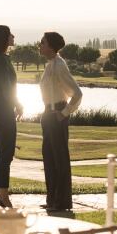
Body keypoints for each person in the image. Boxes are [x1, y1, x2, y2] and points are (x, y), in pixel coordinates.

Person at [38, 32, 82, 211]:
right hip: (48, 115)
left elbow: (77, 93)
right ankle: (52, 200)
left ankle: (62, 202)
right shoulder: (50, 65)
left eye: (42, 43)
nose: (39, 45)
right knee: (49, 159)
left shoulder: (59, 66)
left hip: (57, 116)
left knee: (59, 160)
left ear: (51, 46)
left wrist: (63, 113)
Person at [0, 25, 23, 208]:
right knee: (6, 154)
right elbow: (6, 88)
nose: (13, 36)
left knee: (2, 154)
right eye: (10, 34)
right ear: (3, 38)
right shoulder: (1, 60)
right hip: (3, 109)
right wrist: (18, 104)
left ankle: (1, 194)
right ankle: (3, 196)